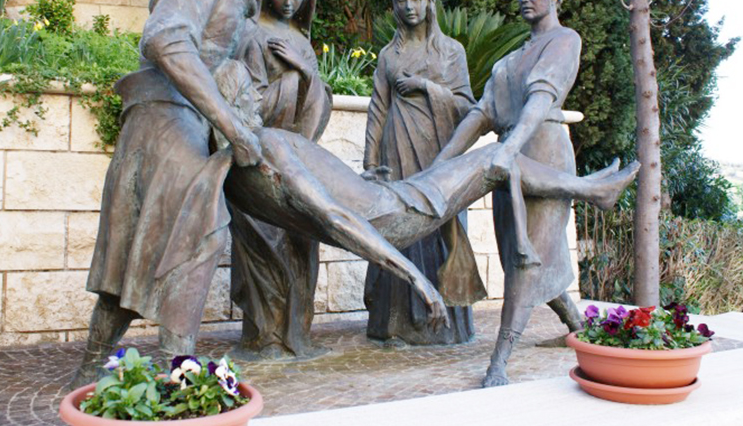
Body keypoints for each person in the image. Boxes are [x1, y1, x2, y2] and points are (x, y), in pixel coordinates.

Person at [212, 60, 638, 341]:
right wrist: (415, 276)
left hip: (387, 201)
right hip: (396, 209)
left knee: (494, 162)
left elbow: (322, 209)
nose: (260, 97)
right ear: (231, 103)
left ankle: (589, 196)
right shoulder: (268, 146)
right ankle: (592, 190)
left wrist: (359, 181)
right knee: (495, 156)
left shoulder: (235, 176)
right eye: (250, 91)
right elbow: (334, 217)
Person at [71, 0, 315, 388]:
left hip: (184, 121)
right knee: (200, 238)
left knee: (141, 247)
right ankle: (177, 371)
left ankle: (94, 366)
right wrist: (230, 123)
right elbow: (165, 40)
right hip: (166, 116)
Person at [434, 0, 584, 386]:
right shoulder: (510, 59)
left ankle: (499, 360)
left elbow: (540, 99)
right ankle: (580, 328)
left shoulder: (564, 40)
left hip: (543, 155)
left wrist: (510, 147)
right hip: (508, 163)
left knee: (526, 261)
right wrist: (440, 164)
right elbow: (481, 114)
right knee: (528, 256)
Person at [362, 0, 480, 346]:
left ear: (430, 3)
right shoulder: (388, 55)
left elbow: (467, 106)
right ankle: (395, 323)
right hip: (396, 150)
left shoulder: (452, 52)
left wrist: (425, 87)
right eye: (402, 0)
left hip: (440, 154)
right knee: (399, 227)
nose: (409, 7)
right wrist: (369, 163)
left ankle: (447, 325)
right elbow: (377, 108)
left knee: (441, 227)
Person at [231, 0, 333, 358]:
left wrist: (305, 72)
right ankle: (266, 336)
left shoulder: (302, 42)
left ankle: (297, 332)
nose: (289, 2)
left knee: (302, 243)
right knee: (263, 245)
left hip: (298, 157)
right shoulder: (253, 36)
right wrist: (291, 82)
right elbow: (248, 100)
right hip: (262, 158)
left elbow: (317, 99)